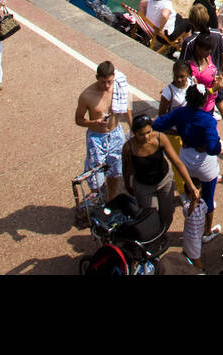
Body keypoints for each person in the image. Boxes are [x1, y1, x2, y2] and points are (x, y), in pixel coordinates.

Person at [152, 83, 222, 249]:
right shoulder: (208, 120)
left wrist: (179, 133)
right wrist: (205, 145)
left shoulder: (179, 113)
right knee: (208, 198)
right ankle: (206, 232)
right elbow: (214, 148)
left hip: (186, 160)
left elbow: (157, 124)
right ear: (204, 100)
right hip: (205, 164)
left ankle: (190, 219)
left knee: (191, 191)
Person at [123, 113, 196, 233]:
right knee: (151, 216)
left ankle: (162, 234)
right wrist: (127, 184)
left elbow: (177, 162)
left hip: (164, 181)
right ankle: (155, 236)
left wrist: (190, 185)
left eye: (148, 132)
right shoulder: (128, 147)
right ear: (134, 133)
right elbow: (126, 168)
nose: (146, 137)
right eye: (141, 134)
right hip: (144, 186)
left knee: (167, 213)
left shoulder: (159, 138)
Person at [77, 61, 128, 199]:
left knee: (116, 171)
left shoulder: (118, 86)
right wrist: (94, 122)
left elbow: (126, 106)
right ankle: (97, 198)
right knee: (95, 174)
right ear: (96, 77)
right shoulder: (86, 96)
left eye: (109, 82)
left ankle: (110, 199)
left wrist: (132, 125)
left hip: (116, 134)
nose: (106, 86)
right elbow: (79, 120)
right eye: (102, 82)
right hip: (97, 137)